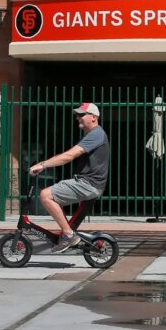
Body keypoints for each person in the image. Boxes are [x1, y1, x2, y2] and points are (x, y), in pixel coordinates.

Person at [29, 102, 110, 253]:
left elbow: (70, 156)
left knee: (45, 195)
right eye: (77, 115)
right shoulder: (93, 135)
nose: (78, 118)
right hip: (89, 183)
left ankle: (68, 235)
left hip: (88, 184)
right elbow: (67, 154)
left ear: (93, 117)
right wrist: (42, 163)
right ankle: (68, 232)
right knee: (51, 196)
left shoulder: (96, 134)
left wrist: (43, 165)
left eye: (81, 115)